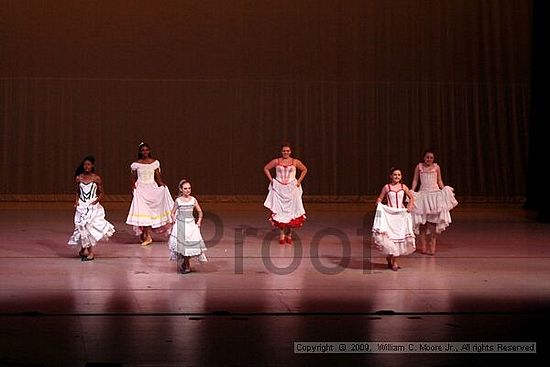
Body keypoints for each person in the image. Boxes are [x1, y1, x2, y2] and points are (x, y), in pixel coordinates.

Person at [410, 150, 458, 255]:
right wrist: (412, 192)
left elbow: (439, 180)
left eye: (431, 158)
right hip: (423, 194)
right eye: (427, 157)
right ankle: (423, 245)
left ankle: (432, 243)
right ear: (424, 158)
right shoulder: (419, 167)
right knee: (423, 222)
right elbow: (415, 180)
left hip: (435, 194)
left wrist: (443, 189)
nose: (429, 159)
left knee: (433, 221)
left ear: (433, 159)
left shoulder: (436, 167)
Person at [126, 142, 174, 246]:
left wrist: (163, 186)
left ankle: (146, 235)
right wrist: (133, 188)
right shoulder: (136, 164)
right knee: (144, 212)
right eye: (143, 150)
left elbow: (158, 177)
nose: (145, 152)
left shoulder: (154, 163)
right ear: (140, 152)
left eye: (146, 150)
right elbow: (133, 178)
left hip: (151, 188)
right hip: (141, 189)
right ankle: (146, 235)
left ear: (149, 151)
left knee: (151, 212)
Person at [68, 155, 115, 261]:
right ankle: (83, 249)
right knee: (81, 227)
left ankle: (90, 252)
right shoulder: (79, 178)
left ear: (92, 165)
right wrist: (76, 202)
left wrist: (96, 201)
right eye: (85, 164)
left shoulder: (96, 178)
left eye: (88, 164)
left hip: (92, 206)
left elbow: (102, 192)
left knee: (88, 227)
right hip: (82, 206)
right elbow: (77, 192)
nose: (86, 166)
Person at [372, 167, 416, 271]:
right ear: (391, 176)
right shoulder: (387, 187)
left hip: (400, 215)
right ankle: (391, 257)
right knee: (390, 237)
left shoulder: (403, 187)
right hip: (390, 215)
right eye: (395, 174)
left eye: (399, 175)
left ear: (401, 177)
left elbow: (411, 197)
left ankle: (394, 260)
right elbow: (380, 198)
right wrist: (378, 203)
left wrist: (410, 206)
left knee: (398, 237)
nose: (397, 176)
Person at [263, 143, 307, 244]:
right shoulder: (277, 161)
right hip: (279, 189)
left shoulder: (295, 161)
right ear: (281, 151)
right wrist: (272, 180)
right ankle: (282, 234)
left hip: (292, 189)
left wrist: (299, 181)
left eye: (287, 151)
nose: (285, 152)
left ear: (290, 151)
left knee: (291, 212)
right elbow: (266, 168)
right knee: (281, 212)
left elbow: (304, 169)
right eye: (284, 151)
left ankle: (289, 234)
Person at [168, 179, 207, 274]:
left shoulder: (193, 200)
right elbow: (172, 213)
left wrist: (199, 221)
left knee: (189, 246)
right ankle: (187, 265)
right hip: (181, 225)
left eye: (189, 188)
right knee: (183, 246)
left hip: (190, 225)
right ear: (181, 189)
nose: (187, 190)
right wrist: (173, 219)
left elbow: (200, 212)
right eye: (185, 188)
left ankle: (186, 264)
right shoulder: (178, 201)